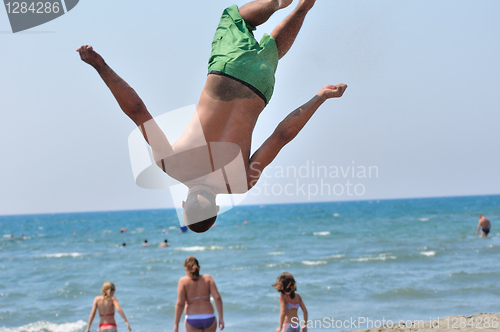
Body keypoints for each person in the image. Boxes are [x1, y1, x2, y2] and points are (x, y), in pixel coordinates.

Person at [77, 0, 347, 233]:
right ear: (183, 203)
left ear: (217, 208)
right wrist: (100, 66)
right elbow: (137, 110)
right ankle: (276, 2)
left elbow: (282, 135)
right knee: (235, 18)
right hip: (226, 70)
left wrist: (321, 97)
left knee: (274, 49)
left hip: (259, 84)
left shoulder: (241, 182)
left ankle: (303, 8)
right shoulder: (171, 165)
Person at [174, 256, 224, 332]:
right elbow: (217, 298)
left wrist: (176, 324)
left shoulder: (183, 281)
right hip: (209, 318)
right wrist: (221, 318)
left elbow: (180, 304)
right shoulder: (208, 278)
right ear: (199, 268)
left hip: (192, 319)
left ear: (186, 268)